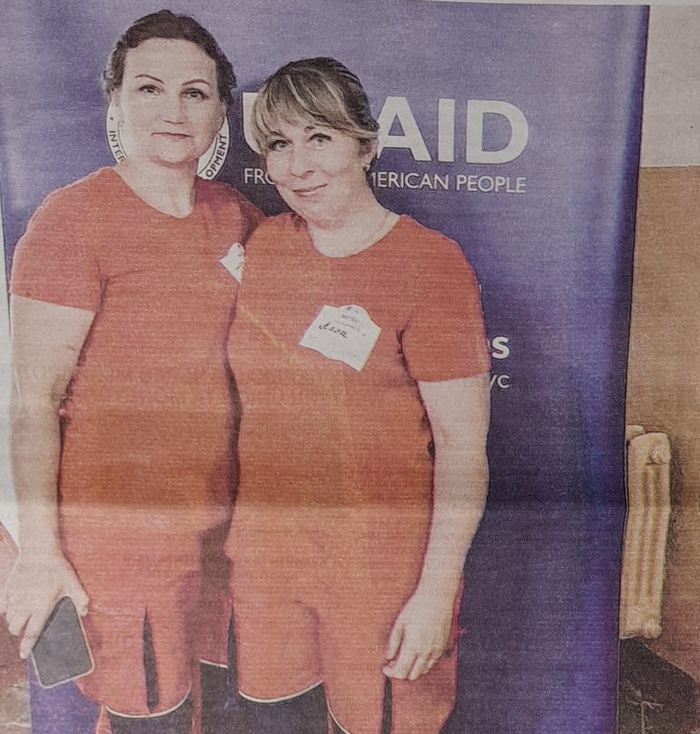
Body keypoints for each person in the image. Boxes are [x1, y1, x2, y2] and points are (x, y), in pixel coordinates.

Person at [1, 10, 262, 734]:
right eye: (149, 88)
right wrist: (41, 551)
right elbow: (34, 401)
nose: (173, 111)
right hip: (123, 539)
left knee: (220, 710)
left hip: (227, 530)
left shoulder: (240, 217)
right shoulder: (71, 219)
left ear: (220, 113)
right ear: (115, 103)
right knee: (150, 713)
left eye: (194, 93)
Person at [225, 58, 491, 734]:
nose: (298, 166)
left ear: (366, 146)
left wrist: (435, 594)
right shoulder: (263, 247)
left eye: (320, 137)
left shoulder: (431, 265)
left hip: (380, 572)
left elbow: (463, 448)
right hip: (268, 564)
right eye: (279, 144)